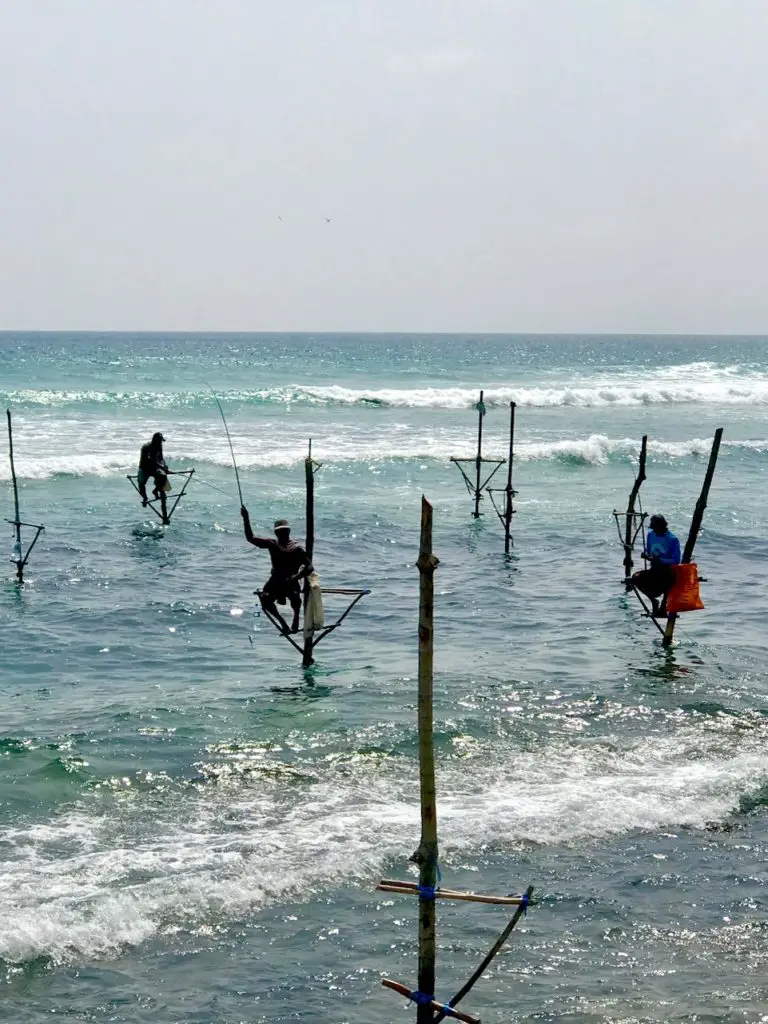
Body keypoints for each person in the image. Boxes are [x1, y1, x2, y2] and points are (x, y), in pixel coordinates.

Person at [240, 507, 313, 634]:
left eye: (284, 531)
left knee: (294, 600)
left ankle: (295, 619)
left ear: (289, 531)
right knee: (266, 599)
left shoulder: (296, 549)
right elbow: (251, 538)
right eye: (279, 531)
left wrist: (296, 578)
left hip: (289, 581)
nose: (282, 533)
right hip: (277, 580)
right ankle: (283, 623)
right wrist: (246, 518)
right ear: (276, 533)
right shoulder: (273, 544)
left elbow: (310, 567)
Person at [632, 514, 681, 617]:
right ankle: (654, 601)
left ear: (662, 526)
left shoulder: (672, 539)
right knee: (635, 578)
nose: (654, 530)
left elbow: (676, 560)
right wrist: (646, 555)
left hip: (667, 572)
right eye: (653, 527)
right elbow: (649, 550)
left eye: (656, 527)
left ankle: (663, 608)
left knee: (667, 581)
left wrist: (661, 560)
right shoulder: (651, 535)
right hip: (654, 570)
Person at [137, 432, 170, 507]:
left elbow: (161, 458)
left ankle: (155, 491)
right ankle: (145, 497)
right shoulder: (146, 447)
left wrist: (164, 465)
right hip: (144, 467)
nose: (161, 443)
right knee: (141, 483)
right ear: (155, 440)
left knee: (163, 477)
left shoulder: (159, 446)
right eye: (159, 441)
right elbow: (151, 460)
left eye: (161, 441)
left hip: (154, 468)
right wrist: (161, 466)